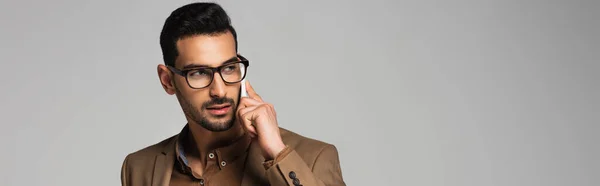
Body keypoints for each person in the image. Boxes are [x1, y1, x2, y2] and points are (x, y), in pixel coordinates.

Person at [120, 2, 346, 186]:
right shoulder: (139, 168)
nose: (219, 90)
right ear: (167, 80)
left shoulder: (312, 159)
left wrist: (277, 154)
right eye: (199, 73)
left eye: (228, 68)